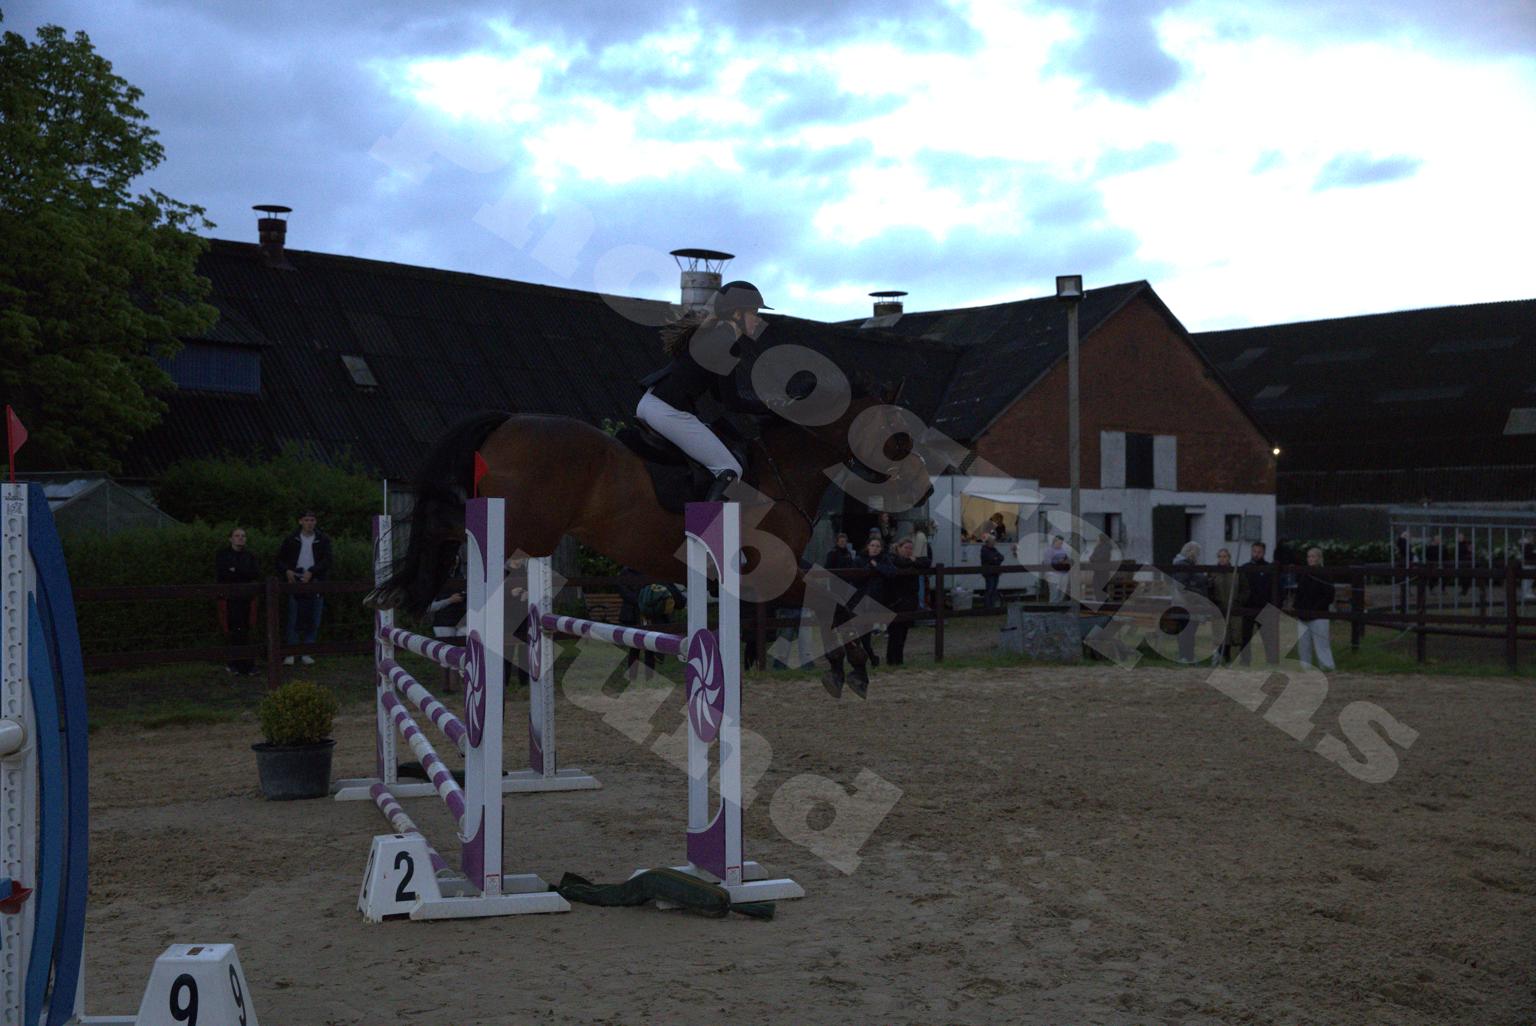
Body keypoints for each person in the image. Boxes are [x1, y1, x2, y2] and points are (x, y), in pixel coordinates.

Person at [635, 280, 778, 501]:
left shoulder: (714, 335)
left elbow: (720, 397)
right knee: (730, 470)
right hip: (668, 411)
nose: (758, 319)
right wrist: (770, 407)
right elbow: (731, 402)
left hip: (651, 403)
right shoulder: (726, 342)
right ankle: (703, 526)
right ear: (736, 313)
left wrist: (764, 403)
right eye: (754, 313)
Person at [276, 511, 332, 665]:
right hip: (295, 580)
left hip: (315, 581)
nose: (309, 523)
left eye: (312, 520)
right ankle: (291, 652)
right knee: (293, 617)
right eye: (306, 520)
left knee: (314, 617)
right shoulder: (291, 539)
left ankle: (307, 651)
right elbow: (279, 560)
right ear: (300, 521)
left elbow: (327, 560)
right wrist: (287, 571)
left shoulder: (323, 540)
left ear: (315, 522)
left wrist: (313, 571)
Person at [215, 527, 260, 675]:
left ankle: (248, 664)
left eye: (243, 536)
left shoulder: (250, 556)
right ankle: (233, 663)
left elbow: (254, 573)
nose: (240, 538)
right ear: (231, 538)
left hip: (247, 599)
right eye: (237, 535)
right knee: (233, 631)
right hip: (230, 599)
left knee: (247, 630)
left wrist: (236, 570)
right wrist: (241, 573)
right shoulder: (223, 555)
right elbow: (223, 574)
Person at [881, 537, 930, 666]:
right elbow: (899, 563)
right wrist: (912, 561)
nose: (908, 550)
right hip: (895, 600)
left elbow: (926, 562)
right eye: (906, 548)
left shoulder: (912, 560)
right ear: (898, 548)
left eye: (910, 548)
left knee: (903, 631)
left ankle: (899, 659)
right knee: (894, 632)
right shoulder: (892, 558)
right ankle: (891, 660)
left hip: (909, 600)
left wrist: (914, 560)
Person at [1294, 547, 1337, 671]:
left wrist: (1316, 609)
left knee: (1322, 644)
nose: (1310, 559)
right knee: (1303, 644)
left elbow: (1329, 595)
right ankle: (1305, 667)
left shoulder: (1325, 574)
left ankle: (1327, 667)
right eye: (1309, 556)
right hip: (1303, 613)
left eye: (1313, 556)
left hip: (1319, 614)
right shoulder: (1304, 573)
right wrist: (1298, 608)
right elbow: (1299, 593)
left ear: (1319, 558)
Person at [1170, 541, 1209, 663]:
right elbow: (1182, 587)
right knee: (1185, 632)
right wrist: (1198, 593)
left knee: (1189, 632)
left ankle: (1189, 656)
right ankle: (1185, 656)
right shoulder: (1183, 566)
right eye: (1197, 553)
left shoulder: (1190, 565)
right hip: (1185, 604)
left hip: (1190, 604)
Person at [1238, 541, 1277, 665]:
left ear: (1264, 553)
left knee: (1268, 636)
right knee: (1245, 636)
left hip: (1265, 607)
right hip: (1248, 607)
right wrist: (1241, 602)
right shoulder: (1244, 568)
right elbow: (1239, 587)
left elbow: (1274, 588)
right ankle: (1245, 661)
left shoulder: (1269, 568)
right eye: (1254, 551)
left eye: (1259, 552)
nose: (1256, 554)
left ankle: (1271, 662)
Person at [1208, 548, 1243, 665]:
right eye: (1220, 556)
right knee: (1219, 633)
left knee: (1233, 634)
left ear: (1229, 558)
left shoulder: (1236, 572)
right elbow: (1209, 589)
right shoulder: (1213, 572)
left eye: (1224, 556)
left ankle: (1229, 658)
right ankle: (1217, 656)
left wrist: (1238, 601)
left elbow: (1244, 589)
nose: (1222, 559)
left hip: (1233, 607)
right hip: (1219, 606)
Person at [1043, 534, 1071, 603]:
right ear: (1054, 542)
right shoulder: (1049, 551)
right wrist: (1058, 561)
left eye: (1061, 543)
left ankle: (1059, 607)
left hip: (1063, 574)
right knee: (1054, 593)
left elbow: (1067, 560)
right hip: (1053, 575)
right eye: (1059, 543)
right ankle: (1052, 608)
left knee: (1062, 594)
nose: (1060, 545)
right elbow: (1047, 563)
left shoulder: (1063, 550)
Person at [978, 535, 1004, 610]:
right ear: (989, 542)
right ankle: (988, 607)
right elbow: (990, 559)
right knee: (989, 590)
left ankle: (992, 606)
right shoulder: (984, 550)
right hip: (989, 573)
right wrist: (996, 558)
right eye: (993, 541)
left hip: (995, 572)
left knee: (994, 590)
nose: (994, 543)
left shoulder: (994, 549)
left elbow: (1001, 557)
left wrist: (995, 558)